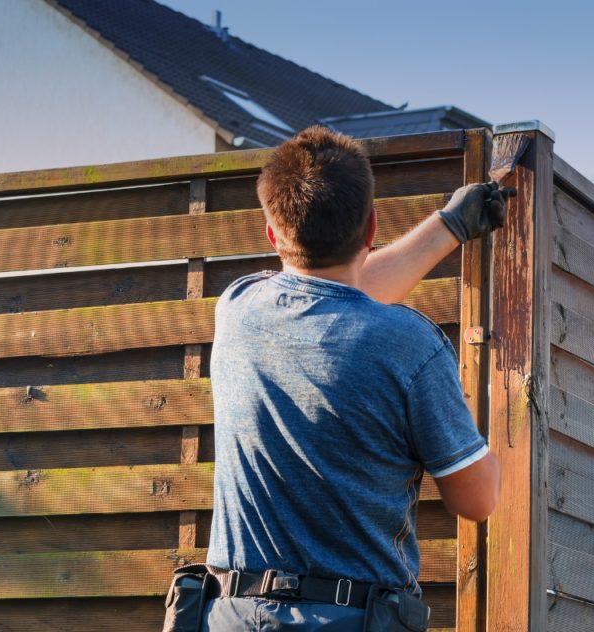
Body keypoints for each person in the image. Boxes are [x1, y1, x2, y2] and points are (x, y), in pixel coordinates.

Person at [201, 126, 503, 630]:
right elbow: (477, 500)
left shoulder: (237, 309)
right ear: (371, 229)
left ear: (272, 234)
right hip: (351, 619)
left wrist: (449, 227)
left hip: (231, 614)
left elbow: (334, 297)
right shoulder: (410, 346)